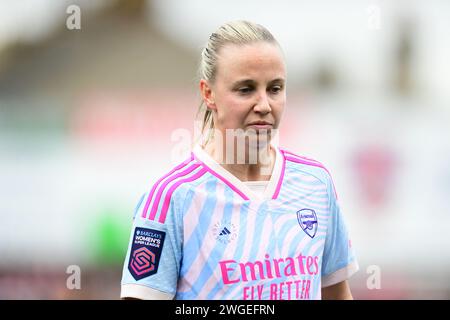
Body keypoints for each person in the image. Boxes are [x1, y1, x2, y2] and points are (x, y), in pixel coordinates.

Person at [120, 20, 358, 300]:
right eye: (245, 89)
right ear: (208, 93)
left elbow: (336, 293)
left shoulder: (316, 183)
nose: (263, 105)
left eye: (275, 88)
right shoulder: (172, 198)